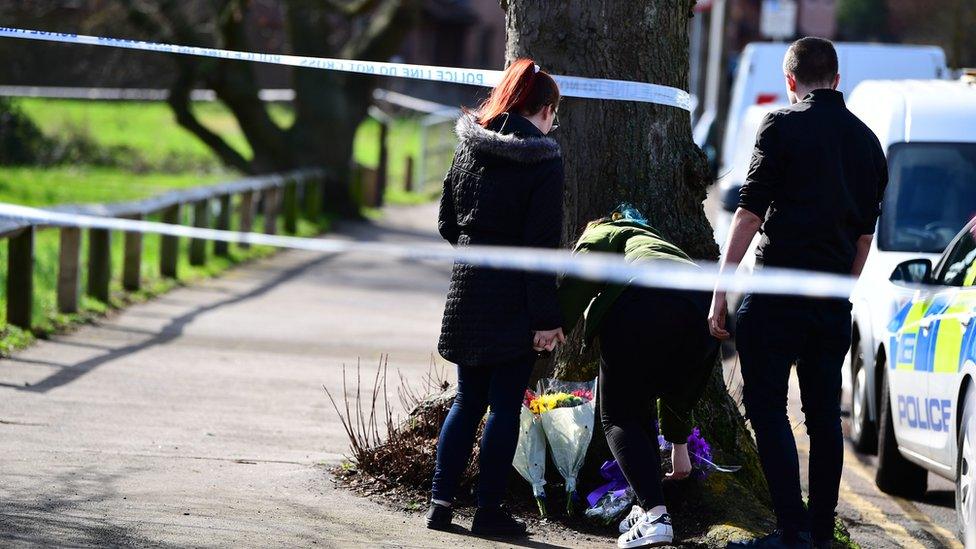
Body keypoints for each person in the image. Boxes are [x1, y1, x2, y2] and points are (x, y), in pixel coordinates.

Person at [708, 37, 888, 549]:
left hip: (776, 291)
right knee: (825, 417)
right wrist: (839, 291)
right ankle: (824, 530)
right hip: (830, 301)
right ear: (836, 79)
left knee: (766, 407)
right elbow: (863, 240)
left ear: (790, 81)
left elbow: (748, 213)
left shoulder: (780, 125)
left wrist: (721, 288)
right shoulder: (869, 143)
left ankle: (792, 529)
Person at [426, 58, 565, 537]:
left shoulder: (469, 144)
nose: (554, 123)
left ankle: (440, 504)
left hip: (468, 289)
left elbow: (447, 218)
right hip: (514, 298)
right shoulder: (544, 158)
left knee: (467, 400)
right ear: (543, 109)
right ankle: (488, 512)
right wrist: (547, 318)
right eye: (554, 114)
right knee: (504, 406)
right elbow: (541, 246)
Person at [559, 206, 719, 549]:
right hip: (703, 313)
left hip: (642, 304)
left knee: (617, 414)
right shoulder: (659, 244)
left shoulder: (605, 231)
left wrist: (557, 325)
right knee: (640, 404)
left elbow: (580, 275)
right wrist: (679, 446)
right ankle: (648, 506)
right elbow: (682, 388)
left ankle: (657, 519)